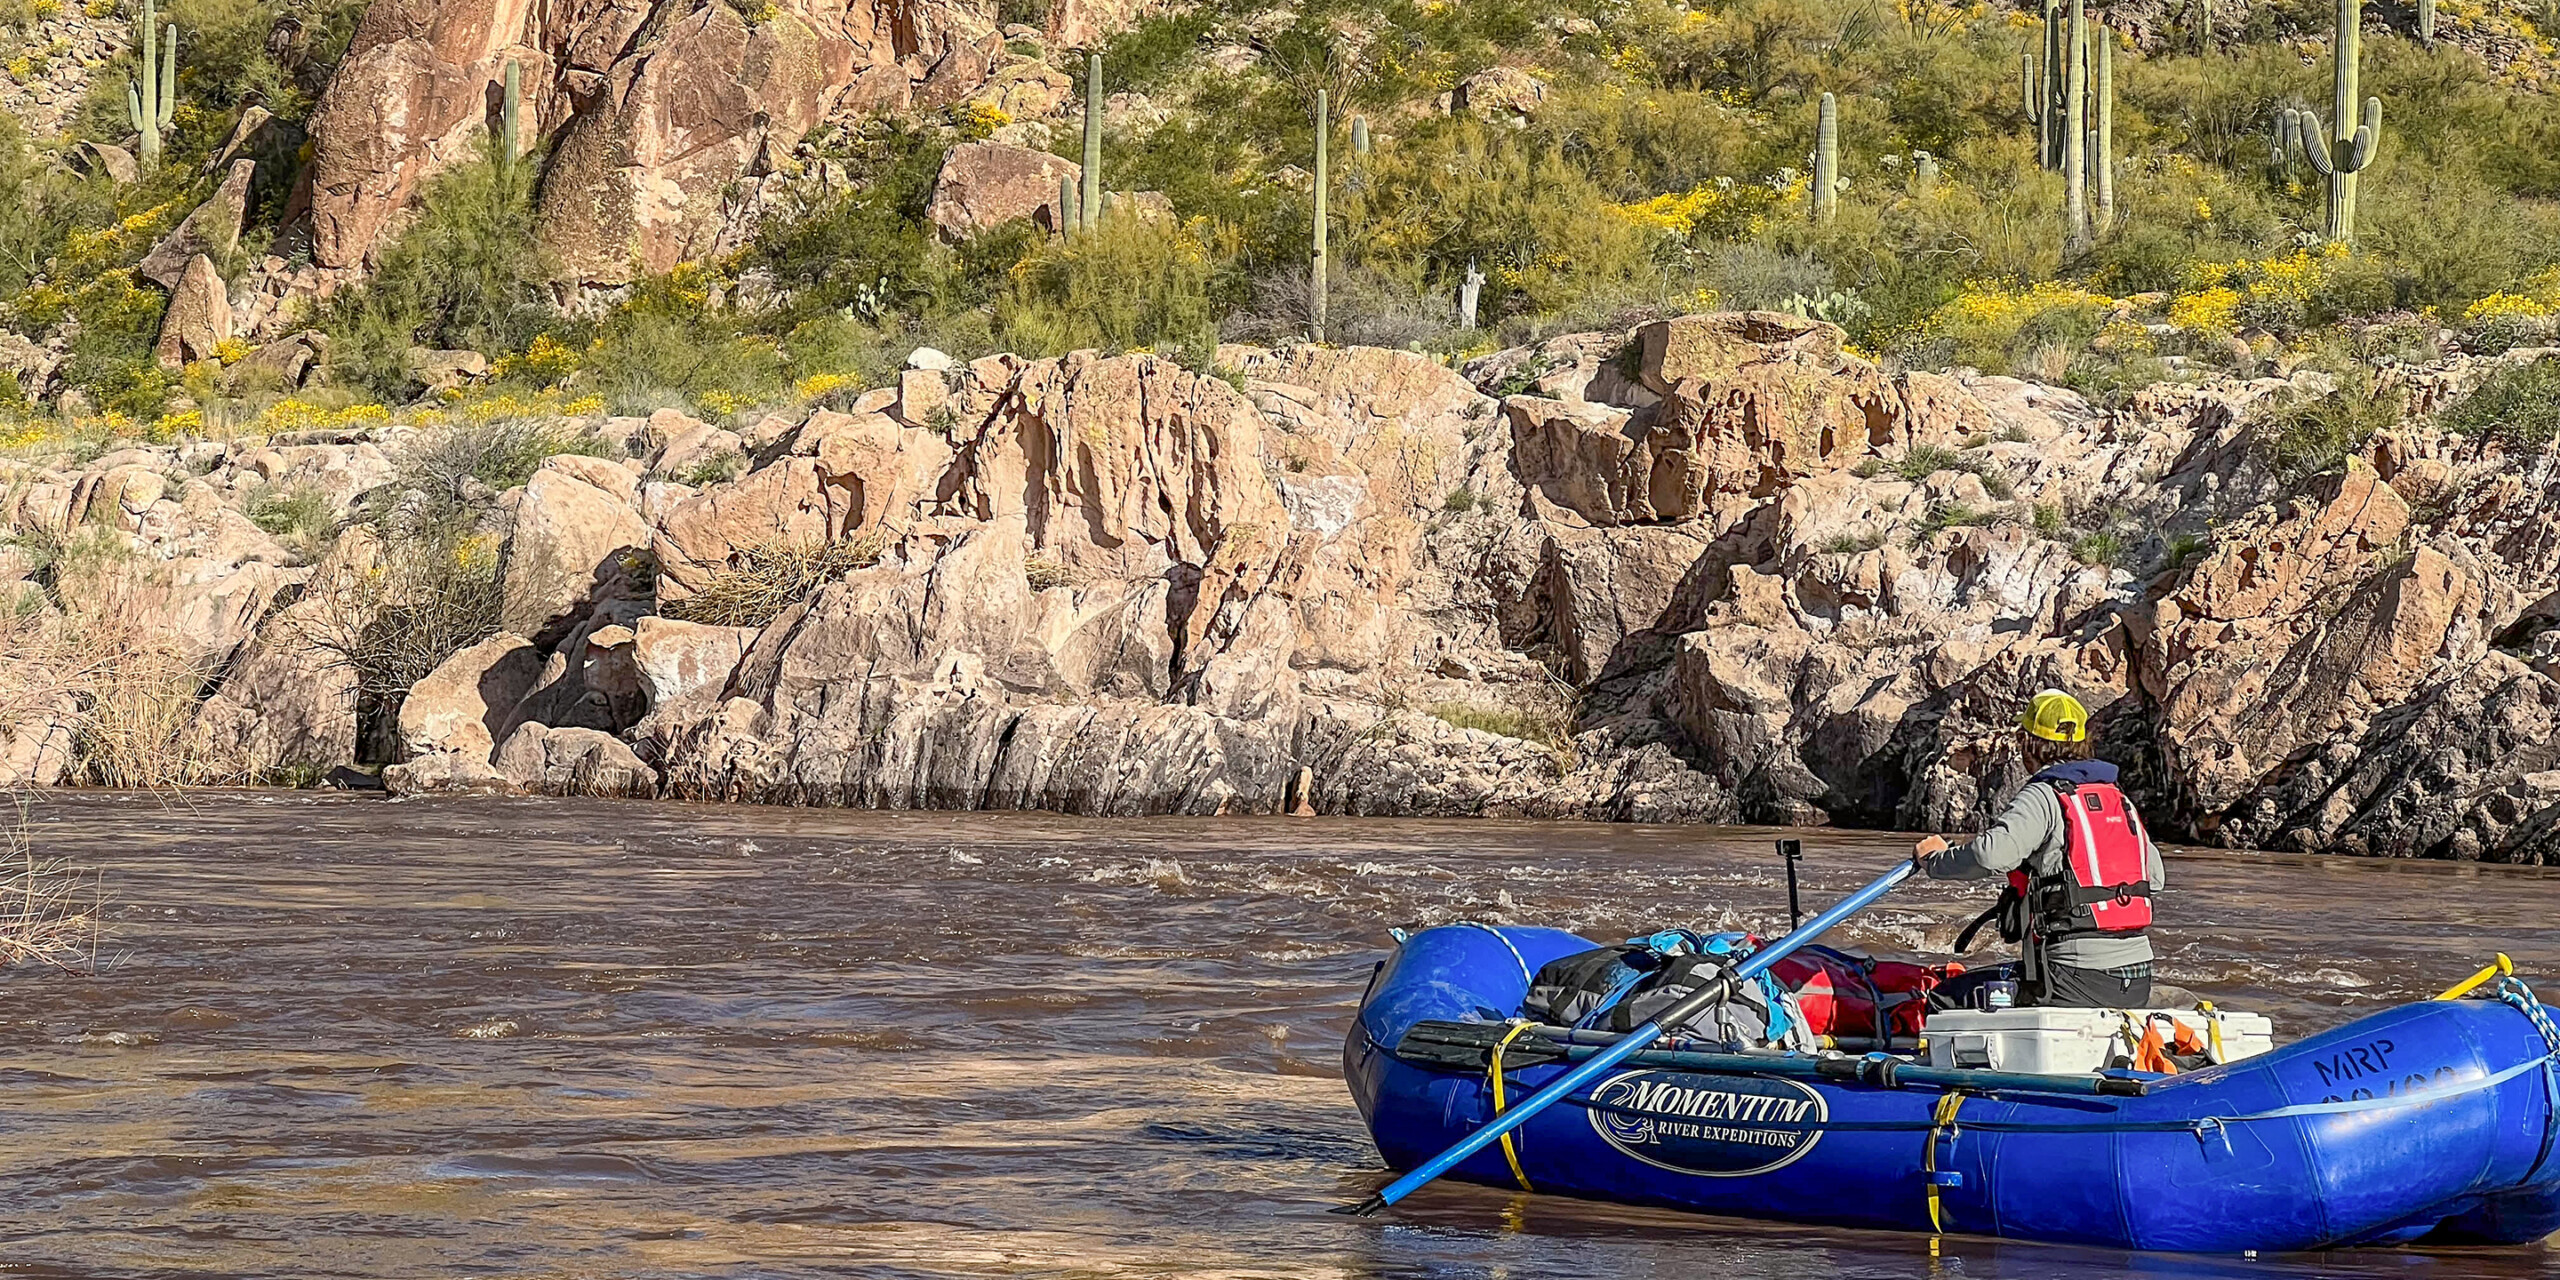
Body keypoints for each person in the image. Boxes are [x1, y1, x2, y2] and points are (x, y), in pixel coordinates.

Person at [1912, 690, 2164, 1009]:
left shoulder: (2044, 796)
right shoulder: (2118, 799)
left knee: (1943, 999)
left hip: (2071, 978)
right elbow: (2154, 878)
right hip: (2137, 979)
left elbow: (1991, 855)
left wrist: (1934, 860)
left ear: (2028, 744)